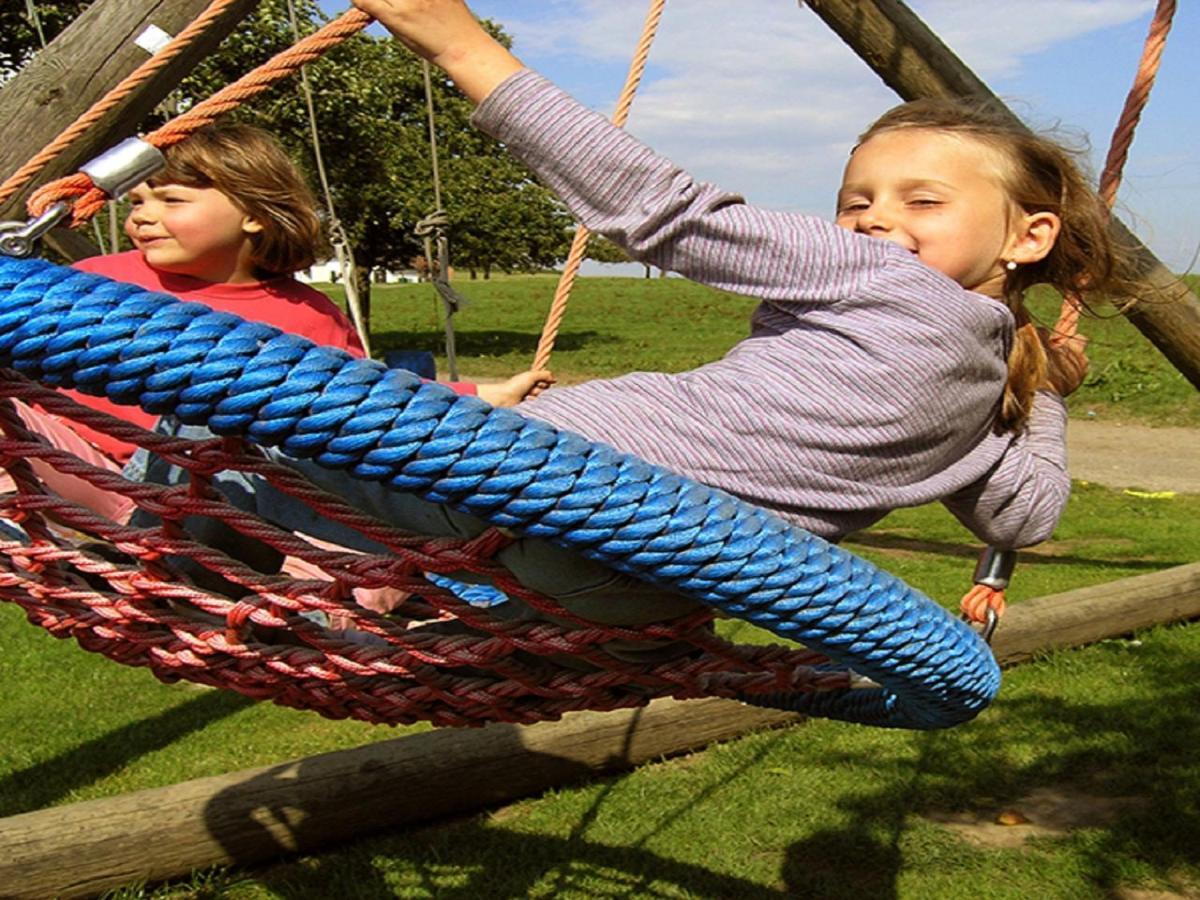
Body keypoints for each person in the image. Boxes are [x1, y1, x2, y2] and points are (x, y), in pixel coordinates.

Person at [157, 0, 1139, 648]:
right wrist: (1042, 393)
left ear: (1031, 232)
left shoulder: (877, 275)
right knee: (437, 650)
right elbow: (1023, 517)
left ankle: (193, 521)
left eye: (922, 201)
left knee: (234, 407)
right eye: (858, 199)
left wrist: (465, 48)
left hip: (549, 485)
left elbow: (663, 214)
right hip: (649, 594)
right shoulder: (988, 393)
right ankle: (349, 612)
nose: (878, 220)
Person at [4, 122, 549, 523]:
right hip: (84, 468)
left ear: (253, 211)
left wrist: (488, 392)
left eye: (171, 200)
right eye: (137, 201)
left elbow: (371, 404)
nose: (142, 216)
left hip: (222, 497)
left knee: (299, 480)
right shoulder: (95, 279)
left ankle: (343, 588)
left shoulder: (303, 317)